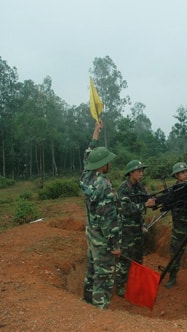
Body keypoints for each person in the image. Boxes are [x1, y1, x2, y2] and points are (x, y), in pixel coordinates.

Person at [79, 123, 120, 309]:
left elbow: (88, 155)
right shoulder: (105, 186)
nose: (110, 163)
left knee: (92, 270)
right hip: (102, 239)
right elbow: (109, 220)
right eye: (108, 161)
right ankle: (98, 313)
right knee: (103, 276)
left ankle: (86, 302)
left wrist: (96, 132)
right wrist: (114, 245)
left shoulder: (87, 178)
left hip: (91, 234)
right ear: (104, 165)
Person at [115, 160, 156, 297]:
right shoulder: (123, 189)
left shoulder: (140, 187)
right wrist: (145, 205)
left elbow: (145, 200)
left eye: (142, 171)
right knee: (125, 258)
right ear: (131, 173)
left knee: (138, 257)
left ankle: (135, 283)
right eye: (138, 171)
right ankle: (120, 285)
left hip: (138, 227)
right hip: (126, 230)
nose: (141, 173)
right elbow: (126, 209)